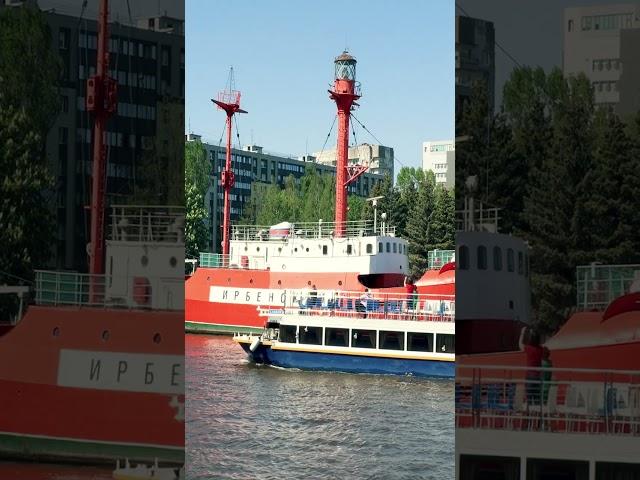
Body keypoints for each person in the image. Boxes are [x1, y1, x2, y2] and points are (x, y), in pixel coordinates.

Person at [519, 326, 543, 406]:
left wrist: (522, 333)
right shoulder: (541, 349)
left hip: (530, 376)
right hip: (538, 376)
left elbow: (520, 345)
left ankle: (529, 417)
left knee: (529, 400)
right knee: (537, 400)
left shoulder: (529, 348)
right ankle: (536, 417)